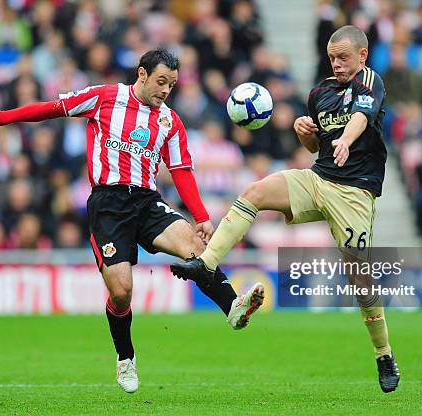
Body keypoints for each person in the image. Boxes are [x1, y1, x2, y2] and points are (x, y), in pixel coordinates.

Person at [0, 48, 265, 394]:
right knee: (121, 292)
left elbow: (181, 170)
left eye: (172, 85)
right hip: (108, 204)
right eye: (161, 82)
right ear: (141, 74)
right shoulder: (104, 97)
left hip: (147, 201)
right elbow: (52, 109)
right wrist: (3, 117)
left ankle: (232, 309)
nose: (165, 91)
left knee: (194, 244)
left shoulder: (169, 121)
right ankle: (125, 358)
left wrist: (202, 216)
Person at [171, 26, 401, 393]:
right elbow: (314, 150)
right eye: (331, 58)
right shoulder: (320, 93)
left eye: (343, 57)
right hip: (319, 179)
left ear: (362, 55)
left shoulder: (370, 81)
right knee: (255, 192)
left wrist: (345, 138)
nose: (337, 64)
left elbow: (361, 117)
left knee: (359, 279)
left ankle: (384, 354)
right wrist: (304, 132)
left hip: (355, 193)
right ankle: (206, 263)